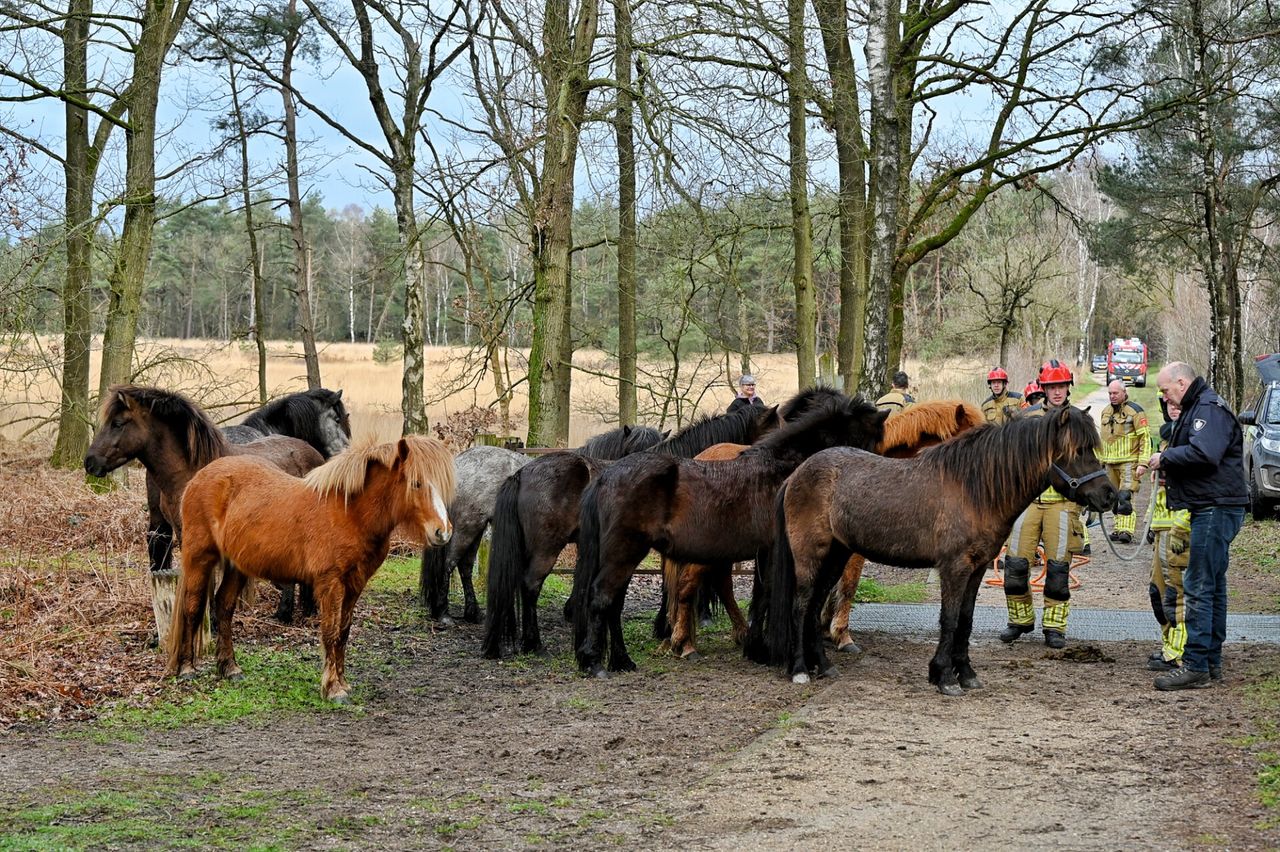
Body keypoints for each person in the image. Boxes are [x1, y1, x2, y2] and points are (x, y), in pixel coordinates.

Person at [1148, 361, 1248, 690]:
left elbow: (1205, 453)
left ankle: (1195, 665)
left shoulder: (1208, 408)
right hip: (1212, 505)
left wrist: (1165, 459)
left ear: (1181, 382)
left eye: (1165, 391)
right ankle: (1211, 661)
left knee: (1199, 585)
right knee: (1213, 585)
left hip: (1215, 508)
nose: (1165, 398)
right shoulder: (1198, 407)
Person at [1000, 359, 1112, 649]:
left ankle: (1054, 627)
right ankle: (1020, 621)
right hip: (1027, 502)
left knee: (1059, 570)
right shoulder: (1028, 418)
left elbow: (1090, 462)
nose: (1058, 391)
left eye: (1062, 386)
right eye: (1052, 386)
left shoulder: (1079, 419)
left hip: (1063, 505)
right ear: (1044, 388)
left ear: (1068, 387)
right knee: (1014, 564)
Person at [1145, 395, 1190, 671]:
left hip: (1180, 528)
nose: (1174, 410)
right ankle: (1168, 644)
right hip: (1161, 526)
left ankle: (1179, 652)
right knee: (1157, 592)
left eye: (1178, 405)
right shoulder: (1165, 439)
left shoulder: (1191, 441)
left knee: (1178, 593)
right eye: (1170, 405)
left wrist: (1182, 525)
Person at [1099, 380, 1151, 544]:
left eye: (1115, 393)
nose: (1112, 396)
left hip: (1129, 461)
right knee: (1114, 498)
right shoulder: (1106, 412)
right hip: (1109, 462)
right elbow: (1103, 438)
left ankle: (1126, 531)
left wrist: (1143, 463)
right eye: (1110, 393)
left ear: (1124, 392)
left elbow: (1145, 438)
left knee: (1125, 496)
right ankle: (1118, 528)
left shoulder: (1135, 412)